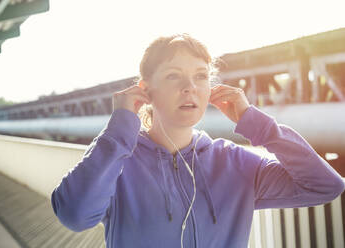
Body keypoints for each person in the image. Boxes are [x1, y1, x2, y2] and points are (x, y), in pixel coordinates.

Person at [50, 33, 345, 248]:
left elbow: (325, 186)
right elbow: (75, 216)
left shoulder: (236, 162)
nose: (190, 87)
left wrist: (258, 125)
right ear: (145, 91)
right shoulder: (117, 161)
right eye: (173, 76)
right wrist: (120, 128)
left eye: (201, 76)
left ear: (211, 88)